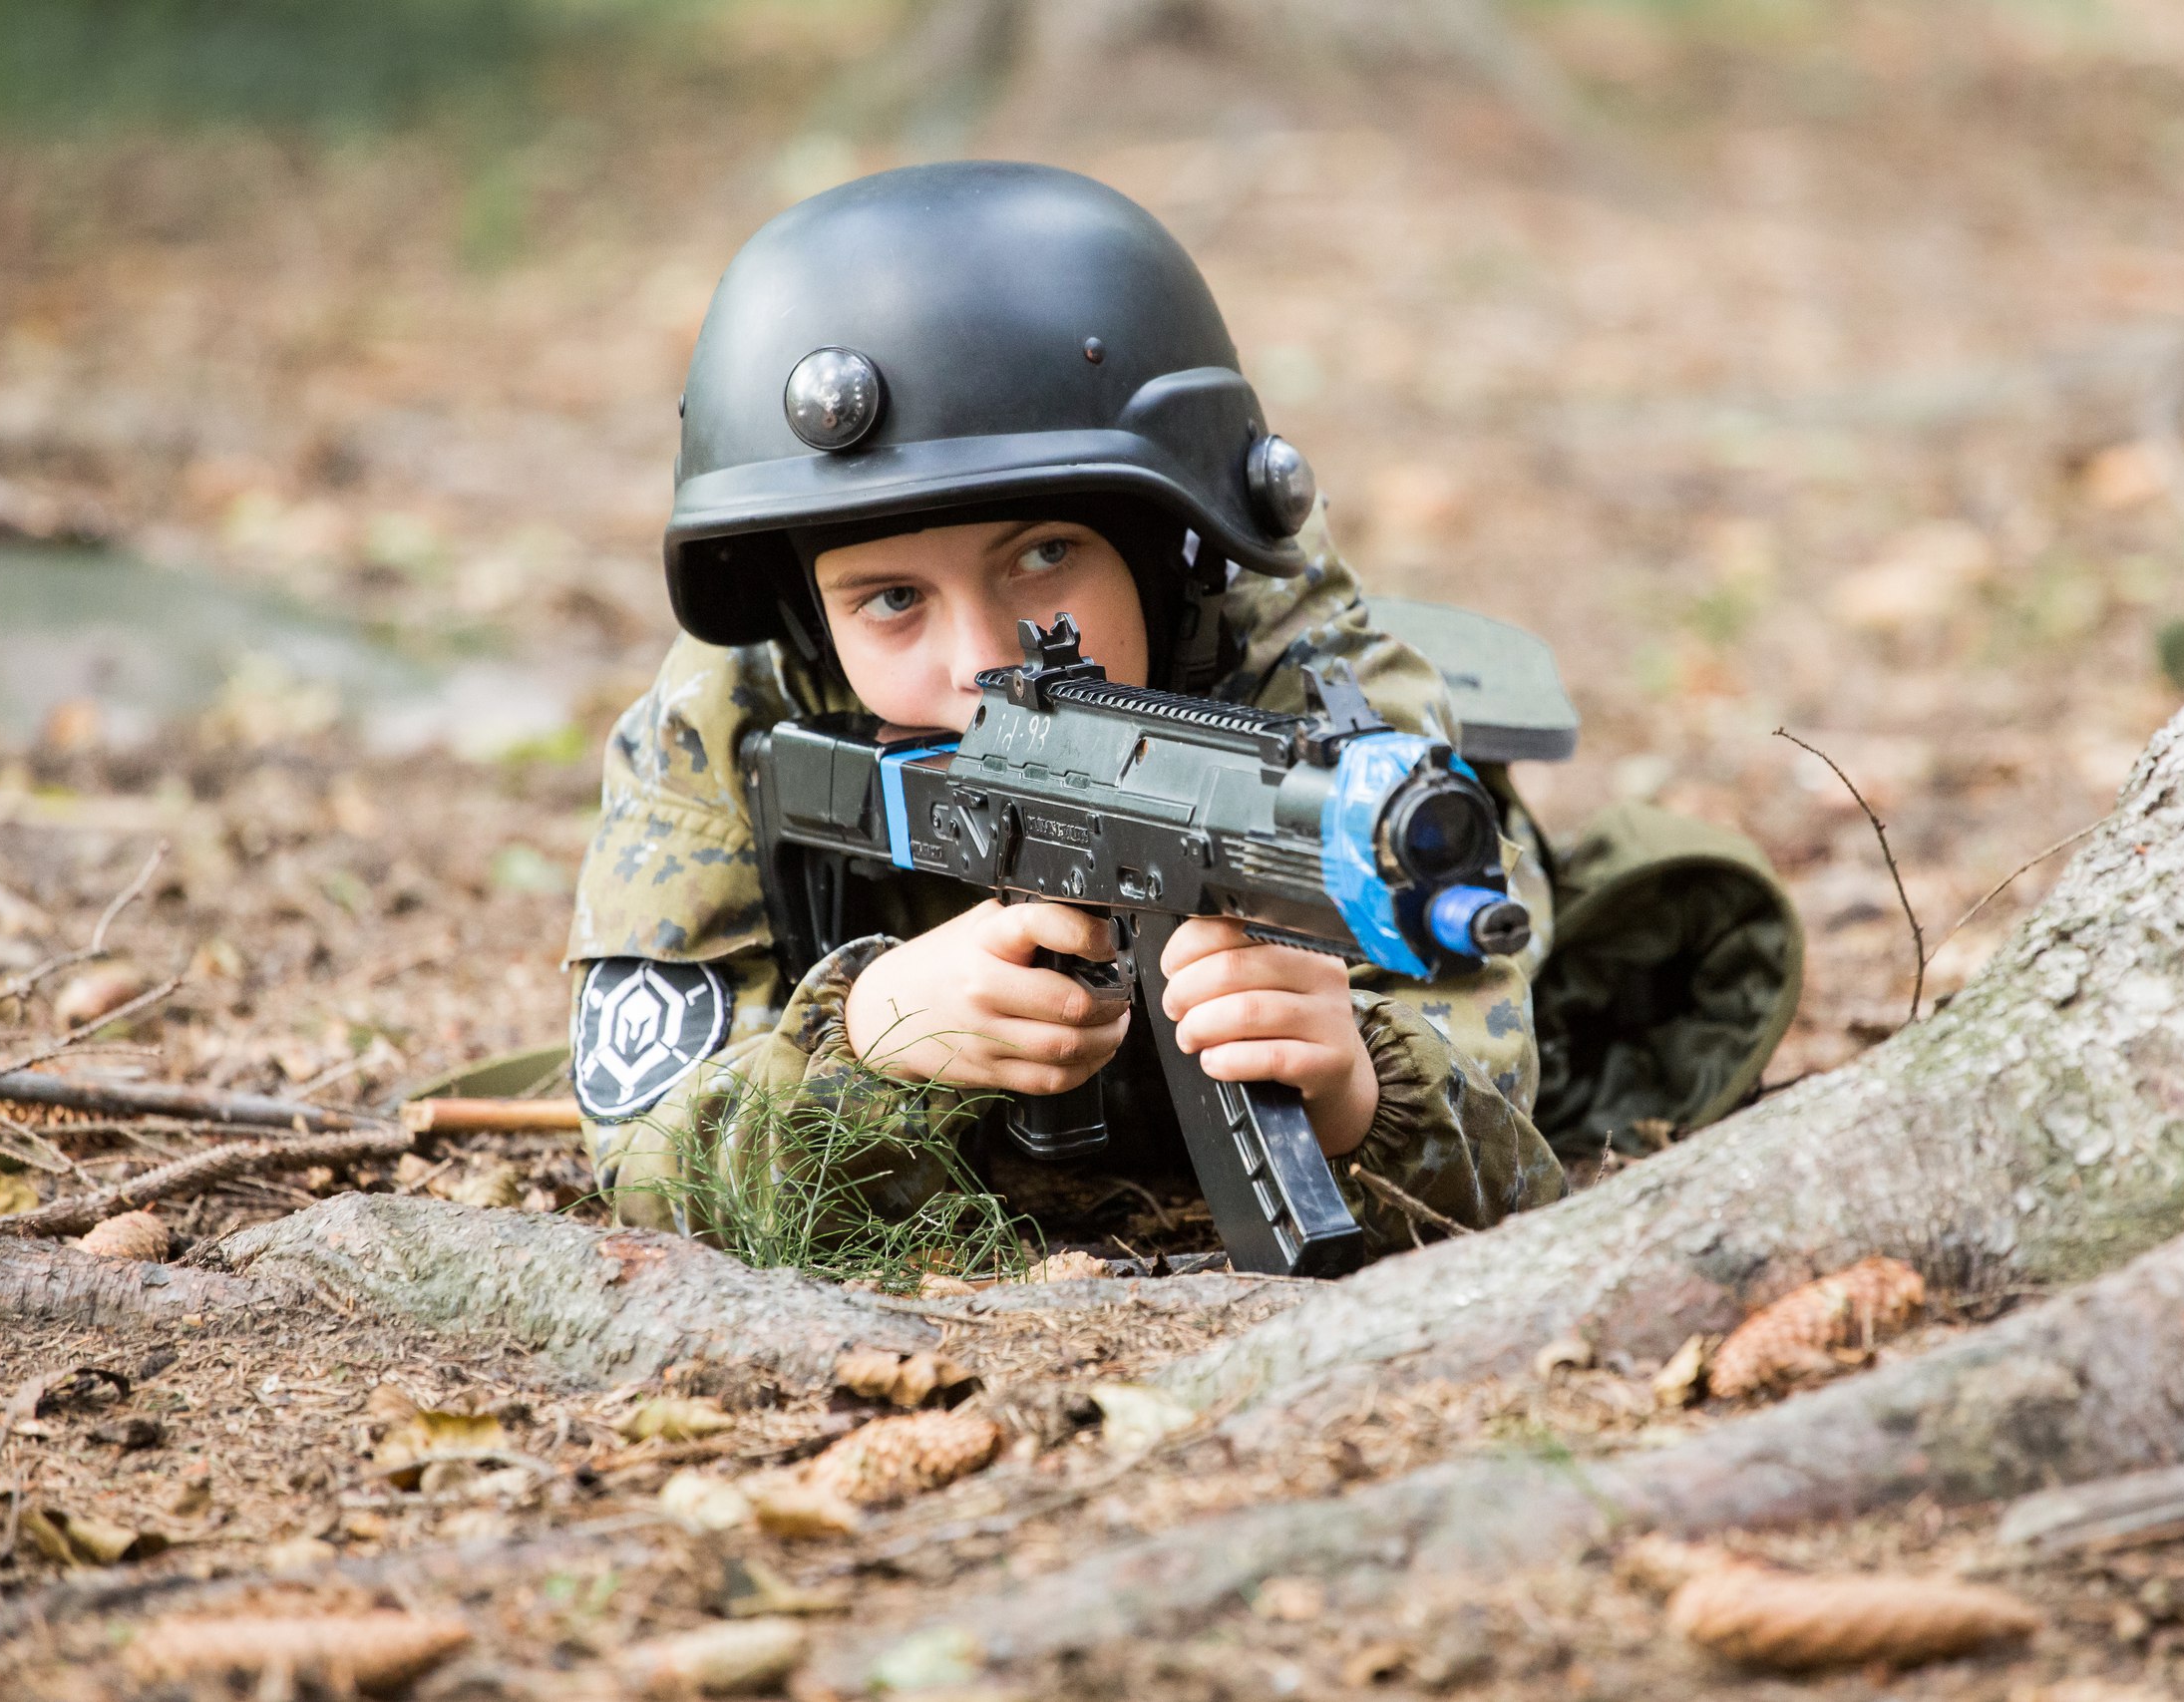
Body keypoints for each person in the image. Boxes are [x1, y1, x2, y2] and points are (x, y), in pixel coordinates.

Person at [566, 162, 1573, 1262]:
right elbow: (642, 1156)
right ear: (806, 618)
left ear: (1166, 550)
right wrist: (860, 1041)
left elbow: (1503, 1130)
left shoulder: (1326, 716)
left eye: (1044, 558)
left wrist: (1356, 1090)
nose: (983, 661)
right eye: (892, 600)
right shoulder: (732, 714)